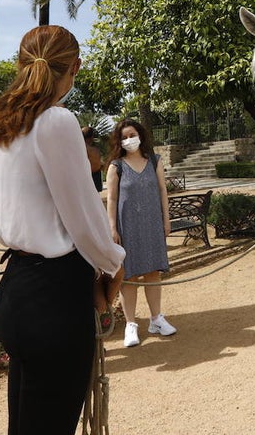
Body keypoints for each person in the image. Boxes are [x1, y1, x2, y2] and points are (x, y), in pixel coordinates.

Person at [0, 25, 125, 435]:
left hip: (16, 289)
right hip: (55, 296)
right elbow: (81, 211)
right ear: (75, 68)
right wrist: (113, 261)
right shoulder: (57, 121)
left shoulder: (0, 129)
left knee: (28, 422)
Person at [106, 118, 175, 348]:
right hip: (128, 226)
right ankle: (131, 324)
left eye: (132, 135)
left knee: (154, 272)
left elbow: (163, 191)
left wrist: (166, 220)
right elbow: (112, 199)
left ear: (141, 135)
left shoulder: (155, 161)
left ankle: (156, 319)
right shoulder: (116, 166)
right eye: (124, 137)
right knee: (130, 276)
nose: (129, 140)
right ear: (119, 141)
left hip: (152, 224)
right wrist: (112, 228)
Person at [81, 126, 104, 192]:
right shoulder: (96, 150)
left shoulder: (82, 149)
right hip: (95, 177)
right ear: (92, 137)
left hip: (87, 178)